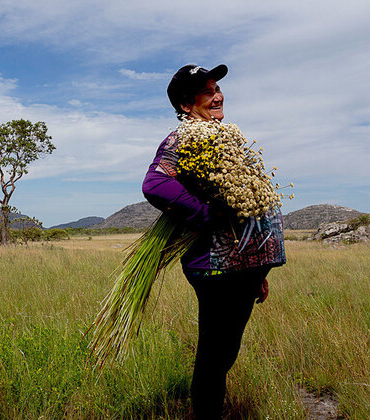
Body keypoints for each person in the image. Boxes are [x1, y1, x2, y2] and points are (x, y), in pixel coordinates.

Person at [142, 64, 286, 419]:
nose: (219, 95)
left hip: (243, 269)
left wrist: (259, 272)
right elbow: (155, 184)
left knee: (224, 351)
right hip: (218, 268)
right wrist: (205, 214)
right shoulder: (185, 139)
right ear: (188, 105)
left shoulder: (222, 136)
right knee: (215, 353)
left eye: (218, 88)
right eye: (208, 91)